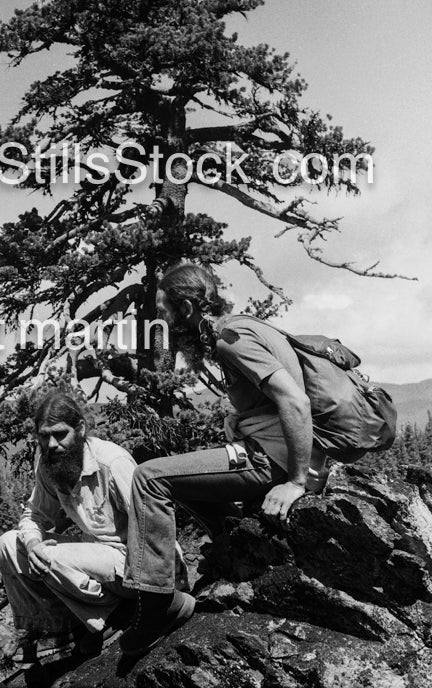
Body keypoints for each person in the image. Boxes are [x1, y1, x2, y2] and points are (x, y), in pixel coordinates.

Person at [120, 262, 330, 655]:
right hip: (271, 452)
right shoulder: (241, 326)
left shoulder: (230, 339)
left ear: (186, 309)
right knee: (180, 474)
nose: (165, 323)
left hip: (273, 460)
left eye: (167, 314)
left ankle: (156, 604)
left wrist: (296, 482)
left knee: (150, 478)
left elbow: (295, 400)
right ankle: (233, 537)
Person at [0, 390, 186, 663]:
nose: (51, 444)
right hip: (99, 559)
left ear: (81, 429)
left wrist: (170, 583)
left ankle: (114, 616)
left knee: (49, 556)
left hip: (135, 565)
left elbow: (153, 524)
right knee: (8, 544)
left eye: (60, 434)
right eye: (44, 435)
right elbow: (34, 515)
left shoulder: (112, 463)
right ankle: (57, 629)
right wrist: (33, 543)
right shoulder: (50, 465)